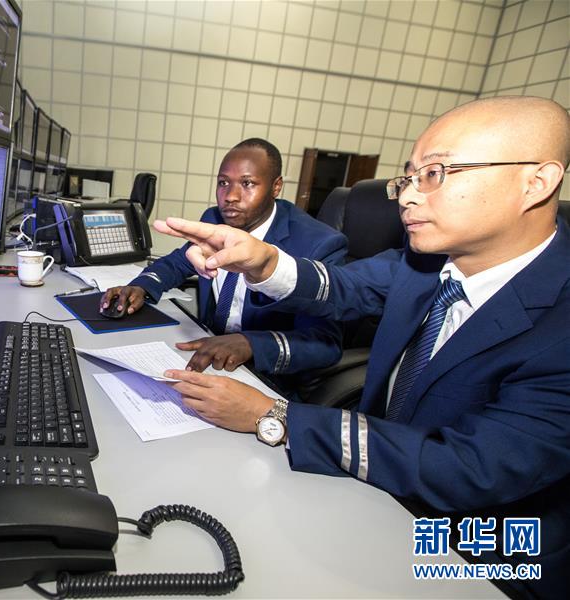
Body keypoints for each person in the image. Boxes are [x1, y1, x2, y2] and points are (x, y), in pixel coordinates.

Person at [155, 96, 570, 598]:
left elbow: (472, 468)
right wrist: (263, 263)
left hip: (485, 553)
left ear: (537, 182)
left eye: (436, 174)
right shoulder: (425, 264)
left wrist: (277, 415)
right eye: (409, 177)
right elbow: (341, 287)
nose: (407, 198)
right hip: (381, 484)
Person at [100, 138, 347, 387]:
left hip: (266, 375)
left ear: (276, 187)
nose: (230, 196)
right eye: (223, 183)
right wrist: (141, 286)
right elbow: (179, 262)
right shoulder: (215, 219)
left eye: (247, 183)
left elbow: (324, 343)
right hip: (207, 351)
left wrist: (250, 343)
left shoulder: (317, 244)